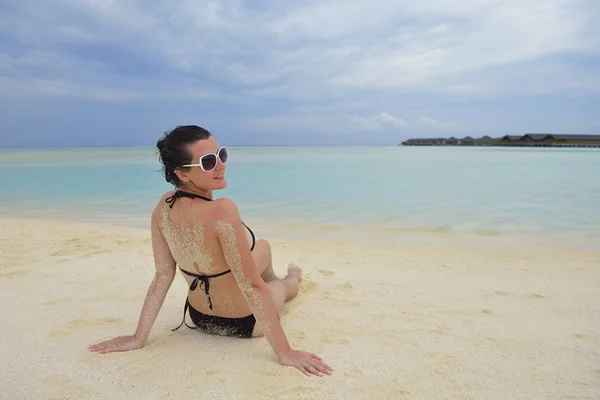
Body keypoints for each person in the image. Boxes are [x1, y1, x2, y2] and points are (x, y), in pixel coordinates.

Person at [88, 125, 332, 377]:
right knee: (280, 287)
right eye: (207, 162)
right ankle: (293, 278)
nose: (220, 165)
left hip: (200, 318)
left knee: (263, 247)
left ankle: (281, 277)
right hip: (245, 323)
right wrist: (285, 353)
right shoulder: (222, 210)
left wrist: (138, 337)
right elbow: (251, 287)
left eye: (221, 155)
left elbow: (163, 276)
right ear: (182, 173)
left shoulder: (163, 207)